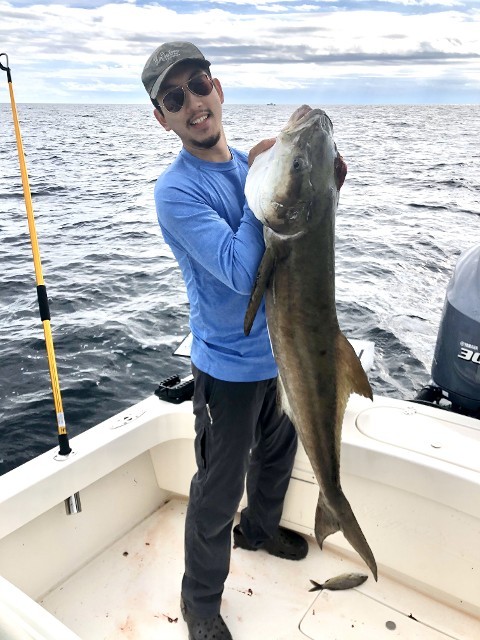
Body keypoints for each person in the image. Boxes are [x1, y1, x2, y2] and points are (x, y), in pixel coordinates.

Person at [141, 42, 308, 640]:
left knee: (278, 457)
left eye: (199, 84)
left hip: (282, 358)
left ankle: (260, 529)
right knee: (217, 490)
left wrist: (320, 189)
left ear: (219, 87)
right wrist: (264, 187)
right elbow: (242, 271)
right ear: (163, 118)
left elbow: (292, 241)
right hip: (227, 370)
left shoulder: (249, 164)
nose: (192, 102)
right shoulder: (177, 192)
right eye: (174, 97)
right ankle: (201, 601)